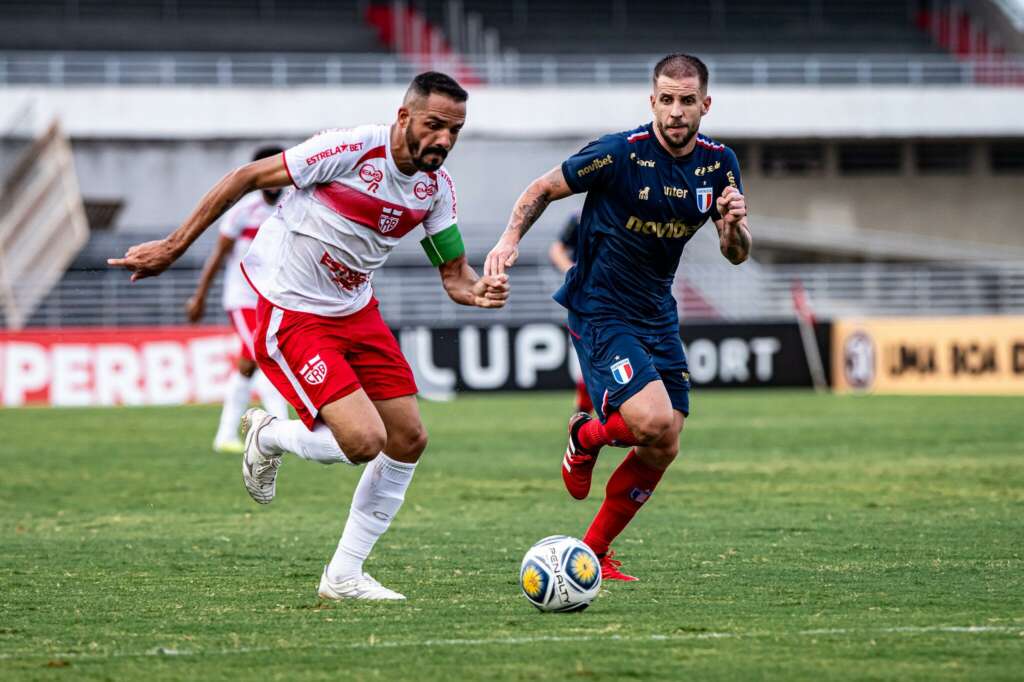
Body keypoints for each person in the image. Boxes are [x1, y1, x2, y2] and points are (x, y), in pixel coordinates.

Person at [110, 72, 509, 600]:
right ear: (404, 117)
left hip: (357, 310)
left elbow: (455, 276)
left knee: (409, 438)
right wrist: (173, 246)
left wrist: (478, 292)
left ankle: (343, 576)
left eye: (454, 131)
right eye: (434, 125)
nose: (444, 140)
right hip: (293, 308)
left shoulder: (435, 190)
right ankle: (269, 434)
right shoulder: (351, 149)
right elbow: (247, 176)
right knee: (364, 442)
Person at [486, 54, 751, 581]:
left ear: (706, 104)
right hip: (601, 306)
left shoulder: (720, 164)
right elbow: (542, 189)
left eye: (687, 101)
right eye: (666, 100)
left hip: (657, 311)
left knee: (665, 442)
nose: (676, 111)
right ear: (652, 101)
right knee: (649, 421)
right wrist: (507, 240)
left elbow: (736, 254)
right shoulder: (619, 153)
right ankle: (585, 437)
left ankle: (593, 552)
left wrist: (733, 229)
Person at [185, 146, 291, 453]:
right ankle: (279, 428)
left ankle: (225, 435)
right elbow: (219, 255)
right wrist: (200, 296)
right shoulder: (243, 210)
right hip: (243, 297)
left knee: (249, 363)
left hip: (274, 296)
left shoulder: (293, 205)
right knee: (263, 353)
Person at [548, 213, 593, 415]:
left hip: (618, 293)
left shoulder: (626, 213)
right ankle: (583, 414)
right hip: (586, 296)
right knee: (587, 354)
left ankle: (585, 413)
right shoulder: (580, 219)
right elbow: (556, 249)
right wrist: (572, 272)